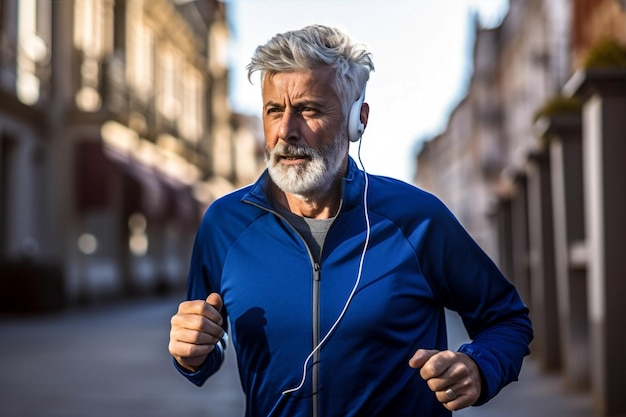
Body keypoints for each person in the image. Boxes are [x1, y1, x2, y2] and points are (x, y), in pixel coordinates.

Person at [168, 24, 533, 417]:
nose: (287, 131)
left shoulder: (416, 219)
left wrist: (479, 367)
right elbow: (205, 349)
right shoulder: (225, 223)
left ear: (357, 120)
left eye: (309, 110)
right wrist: (192, 352)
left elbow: (507, 319)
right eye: (274, 110)